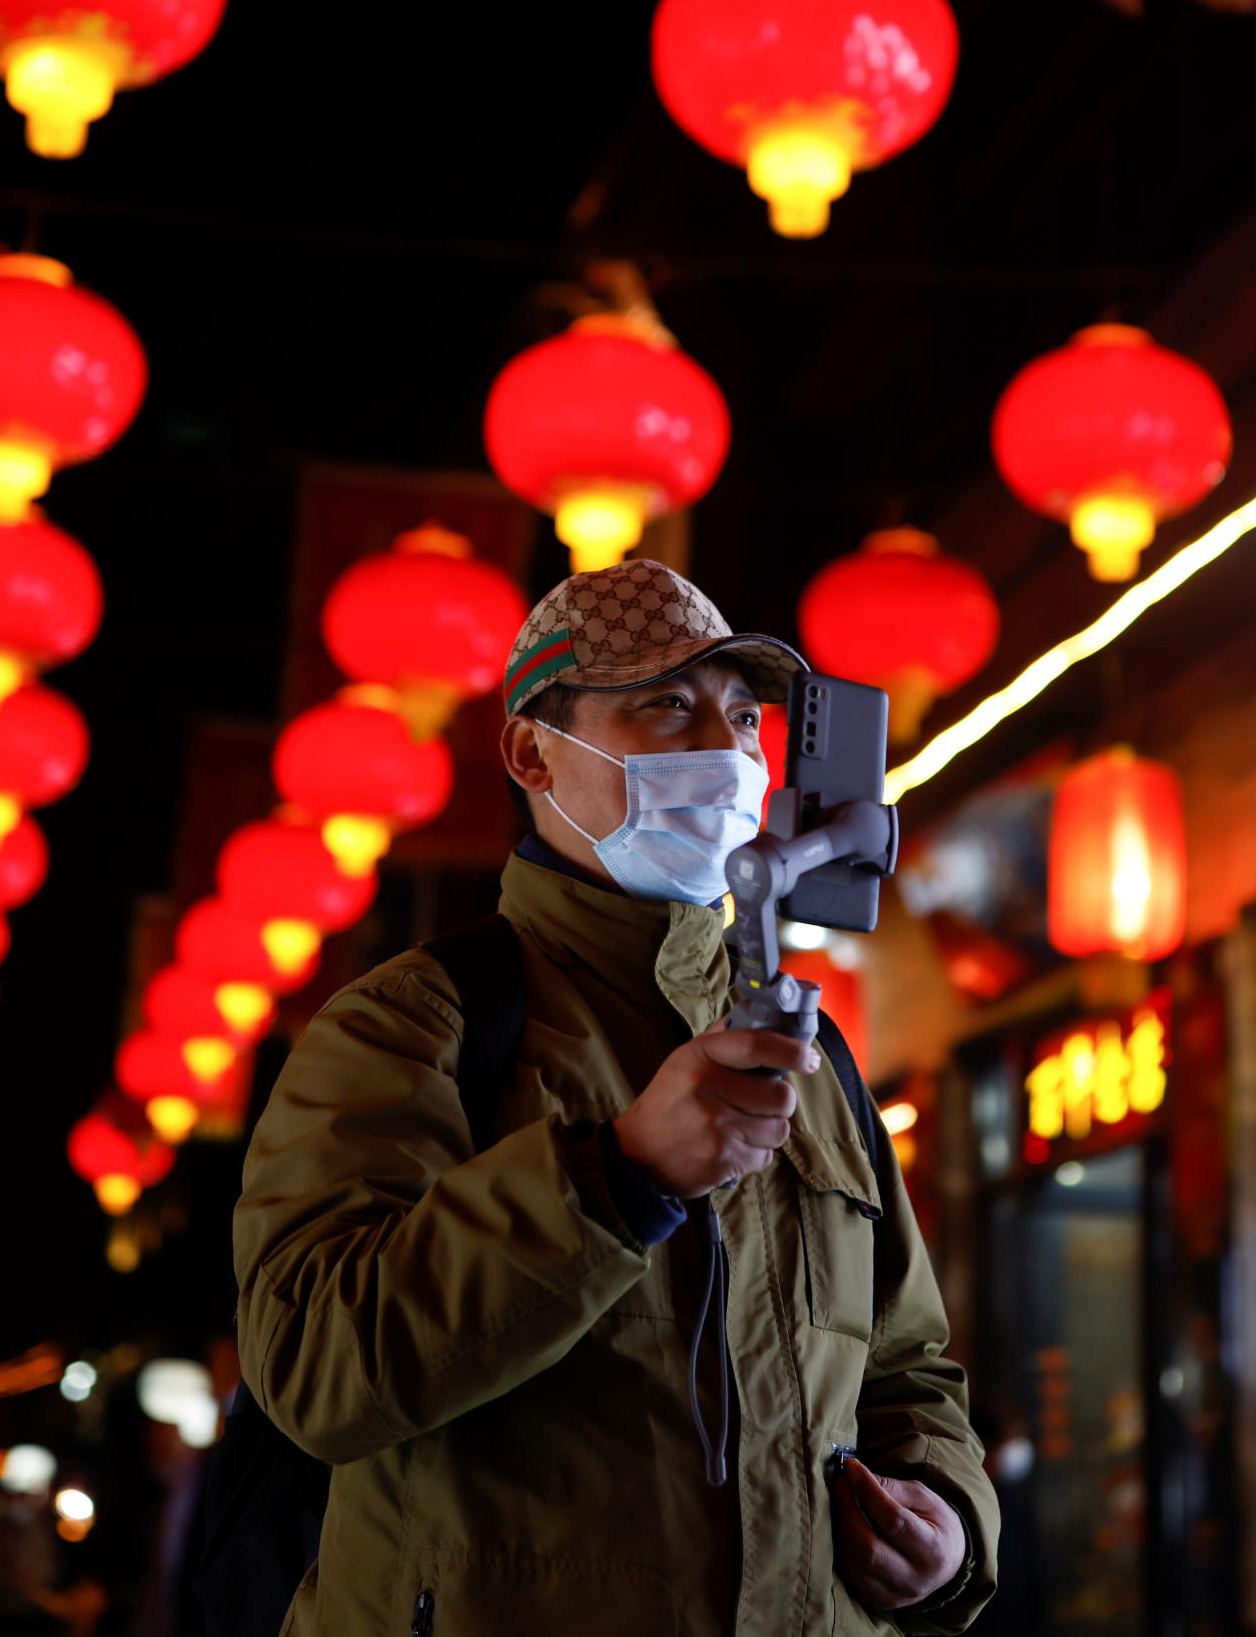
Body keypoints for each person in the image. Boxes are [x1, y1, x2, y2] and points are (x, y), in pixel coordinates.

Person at [233, 560, 1000, 1636]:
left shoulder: (810, 1052)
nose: (721, 749)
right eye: (663, 703)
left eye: (740, 714)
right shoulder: (414, 1024)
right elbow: (313, 1369)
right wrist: (615, 1179)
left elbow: (908, 1362)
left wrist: (951, 1525)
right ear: (531, 750)